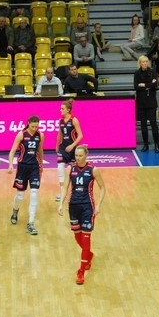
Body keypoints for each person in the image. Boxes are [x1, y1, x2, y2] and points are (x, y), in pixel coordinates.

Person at [57, 144, 106, 285]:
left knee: (86, 238)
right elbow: (65, 186)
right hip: (73, 206)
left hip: (87, 207)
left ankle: (81, 271)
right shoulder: (70, 169)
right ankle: (89, 255)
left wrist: (98, 205)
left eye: (80, 156)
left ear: (86, 155)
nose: (77, 158)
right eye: (76, 156)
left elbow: (102, 188)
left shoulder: (93, 170)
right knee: (77, 235)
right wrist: (61, 203)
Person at [7, 116, 44, 236]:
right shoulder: (21, 134)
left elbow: (40, 150)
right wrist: (11, 165)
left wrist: (42, 165)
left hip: (34, 167)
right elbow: (12, 151)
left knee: (34, 194)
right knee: (20, 195)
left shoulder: (40, 135)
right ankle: (15, 210)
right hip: (22, 167)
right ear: (28, 124)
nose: (34, 128)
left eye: (36, 126)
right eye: (32, 126)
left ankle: (31, 223)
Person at [55, 98, 84, 202]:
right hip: (63, 148)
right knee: (60, 168)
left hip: (73, 149)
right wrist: (57, 146)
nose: (60, 110)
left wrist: (72, 146)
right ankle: (63, 192)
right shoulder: (60, 121)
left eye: (62, 109)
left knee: (72, 172)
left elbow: (80, 135)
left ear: (68, 110)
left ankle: (73, 192)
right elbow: (60, 134)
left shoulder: (74, 120)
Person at [134, 55, 159, 152]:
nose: (145, 63)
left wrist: (144, 85)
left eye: (146, 61)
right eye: (143, 62)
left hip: (151, 102)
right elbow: (136, 86)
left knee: (153, 123)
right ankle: (145, 145)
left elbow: (155, 85)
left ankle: (157, 145)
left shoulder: (152, 72)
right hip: (141, 102)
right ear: (140, 63)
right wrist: (149, 85)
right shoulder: (137, 73)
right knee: (143, 125)